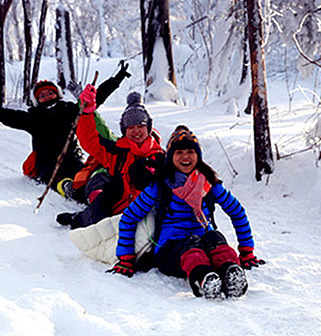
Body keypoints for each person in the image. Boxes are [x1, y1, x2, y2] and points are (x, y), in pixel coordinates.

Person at [108, 125, 265, 299]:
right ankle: (203, 279)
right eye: (179, 152)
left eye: (190, 151)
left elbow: (237, 212)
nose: (185, 157)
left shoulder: (209, 184)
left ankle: (231, 272)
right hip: (170, 251)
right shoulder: (160, 186)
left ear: (198, 156)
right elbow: (129, 217)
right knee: (191, 244)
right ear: (171, 157)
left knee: (215, 237)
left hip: (205, 243)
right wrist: (126, 259)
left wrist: (247, 252)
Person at [0, 61, 131, 190]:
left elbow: (96, 98)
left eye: (50, 92)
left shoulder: (69, 110)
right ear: (37, 100)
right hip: (47, 163)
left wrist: (116, 80)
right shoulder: (33, 117)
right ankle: (67, 190)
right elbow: (6, 115)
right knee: (53, 178)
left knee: (82, 173)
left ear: (58, 94)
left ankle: (95, 190)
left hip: (71, 156)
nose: (47, 96)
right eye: (41, 96)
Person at [56, 85, 164, 229]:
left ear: (148, 128)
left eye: (140, 126)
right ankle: (78, 217)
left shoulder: (160, 156)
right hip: (117, 209)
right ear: (124, 130)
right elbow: (90, 141)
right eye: (130, 127)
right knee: (101, 205)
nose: (136, 131)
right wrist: (87, 113)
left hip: (147, 210)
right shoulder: (116, 151)